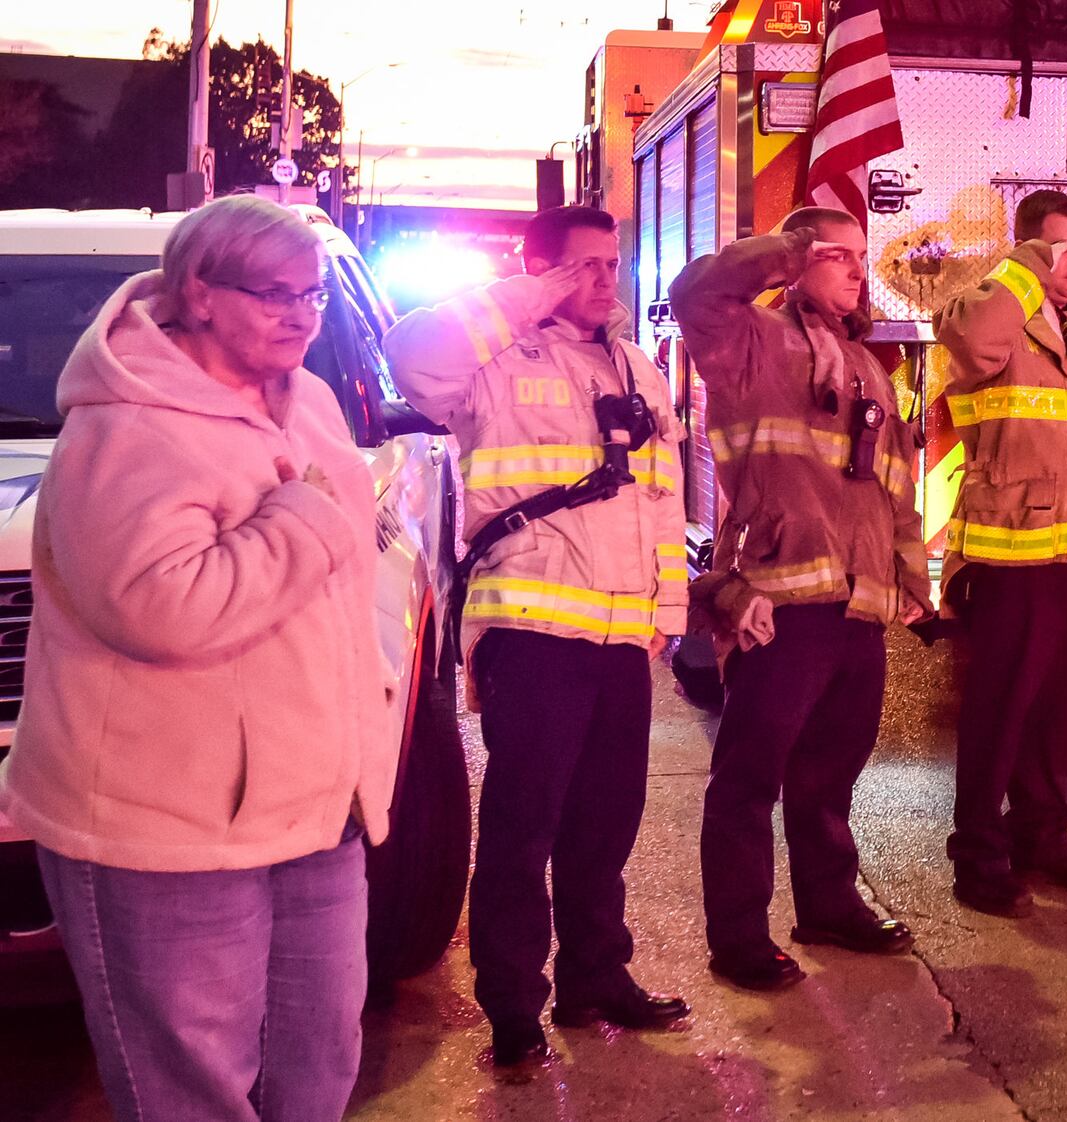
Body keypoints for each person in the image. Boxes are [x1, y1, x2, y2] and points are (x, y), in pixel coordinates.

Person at [0, 195, 392, 1121]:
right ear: (199, 294)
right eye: (274, 294)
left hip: (314, 810)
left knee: (319, 1062)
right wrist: (304, 519)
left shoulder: (314, 403)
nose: (301, 314)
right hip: (168, 828)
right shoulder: (129, 426)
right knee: (193, 1089)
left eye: (315, 294)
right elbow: (164, 610)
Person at [384, 206, 689, 1067]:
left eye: (610, 264)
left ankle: (598, 975)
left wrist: (664, 618)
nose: (602, 280)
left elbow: (662, 499)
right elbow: (413, 358)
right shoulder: (492, 359)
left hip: (621, 633)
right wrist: (523, 298)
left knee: (607, 821)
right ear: (539, 270)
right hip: (532, 625)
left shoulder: (635, 365)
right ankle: (514, 1006)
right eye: (580, 266)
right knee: (524, 825)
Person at [670, 206, 933, 991]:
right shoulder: (752, 341)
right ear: (800, 263)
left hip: (856, 603)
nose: (857, 271)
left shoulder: (867, 365)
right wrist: (787, 250)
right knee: (750, 778)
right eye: (838, 256)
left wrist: (910, 577)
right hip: (779, 600)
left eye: (862, 257)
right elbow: (696, 296)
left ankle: (827, 906)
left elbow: (895, 486)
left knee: (830, 773)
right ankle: (739, 939)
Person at [933, 190, 1067, 917]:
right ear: (1025, 252)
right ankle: (978, 857)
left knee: (1055, 709)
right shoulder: (990, 313)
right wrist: (1024, 270)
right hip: (1010, 551)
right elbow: (971, 337)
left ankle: (1042, 836)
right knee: (998, 713)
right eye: (1061, 248)